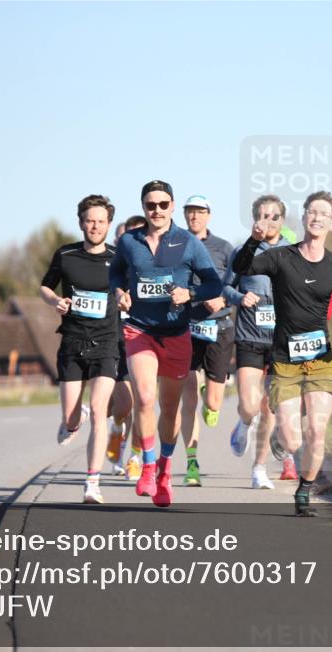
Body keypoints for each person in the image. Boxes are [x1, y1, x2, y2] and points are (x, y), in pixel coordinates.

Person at [232, 191, 332, 516]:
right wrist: (253, 241)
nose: (317, 217)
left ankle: (305, 490)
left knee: (317, 431)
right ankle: (283, 442)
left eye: (324, 213)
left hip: (320, 360)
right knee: (294, 440)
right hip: (285, 361)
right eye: (312, 211)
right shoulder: (281, 257)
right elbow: (243, 267)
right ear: (305, 217)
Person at [109, 180, 223, 508]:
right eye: (150, 205)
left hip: (176, 333)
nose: (156, 210)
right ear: (143, 207)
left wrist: (191, 293)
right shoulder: (129, 241)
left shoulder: (187, 242)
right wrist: (119, 292)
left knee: (170, 408)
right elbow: (115, 273)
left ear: (172, 206)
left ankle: (164, 468)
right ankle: (146, 465)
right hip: (140, 330)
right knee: (145, 397)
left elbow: (213, 281)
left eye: (162, 204)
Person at [39, 194, 120, 504]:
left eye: (100, 221)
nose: (95, 226)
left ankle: (92, 482)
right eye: (90, 220)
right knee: (72, 421)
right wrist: (54, 301)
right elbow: (46, 285)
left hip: (107, 342)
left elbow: (129, 290)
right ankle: (74, 418)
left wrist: (126, 299)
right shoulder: (66, 254)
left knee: (101, 411)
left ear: (109, 224)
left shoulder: (118, 257)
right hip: (73, 341)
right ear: (81, 222)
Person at [222, 194, 297, 489]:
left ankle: (259, 468)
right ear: (254, 220)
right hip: (250, 337)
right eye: (262, 215)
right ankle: (243, 422)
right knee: (251, 406)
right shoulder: (243, 252)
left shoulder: (293, 254)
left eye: (274, 216)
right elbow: (225, 288)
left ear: (282, 220)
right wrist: (241, 297)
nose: (267, 221)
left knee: (271, 409)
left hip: (280, 342)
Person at [177, 195, 234, 487]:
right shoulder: (174, 245)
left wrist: (222, 298)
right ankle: (191, 462)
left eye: (200, 212)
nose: (194, 217)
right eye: (190, 212)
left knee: (212, 402)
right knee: (188, 399)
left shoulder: (224, 248)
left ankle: (211, 397)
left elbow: (237, 284)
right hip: (186, 327)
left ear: (209, 216)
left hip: (218, 327)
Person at [106, 215, 148, 480]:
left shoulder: (148, 266)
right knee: (124, 406)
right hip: (116, 341)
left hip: (144, 339)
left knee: (141, 402)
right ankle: (116, 429)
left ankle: (134, 457)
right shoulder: (111, 267)